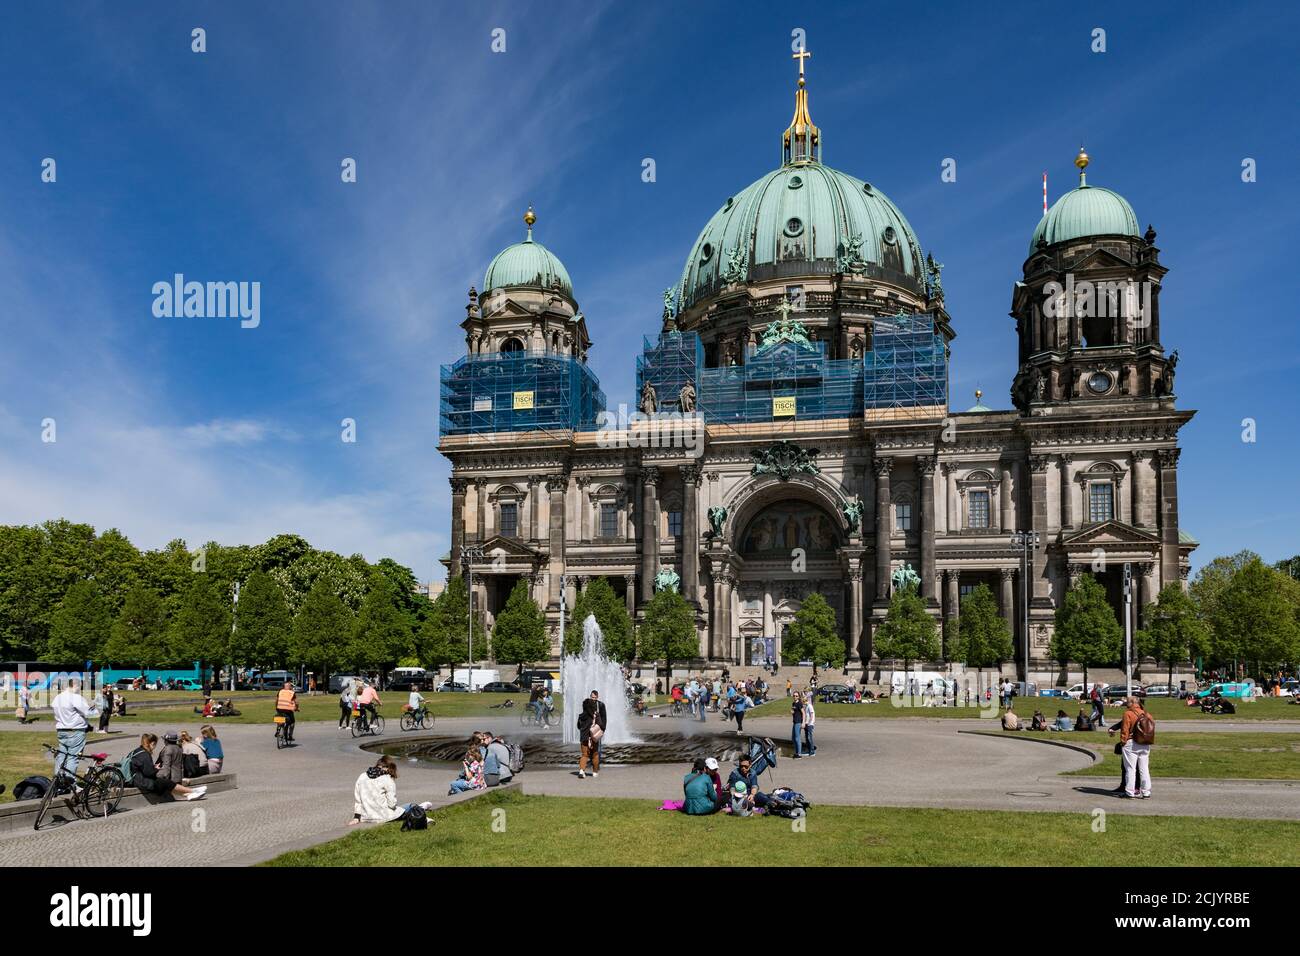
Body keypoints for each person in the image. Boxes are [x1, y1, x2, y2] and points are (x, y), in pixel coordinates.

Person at [352, 754, 433, 824]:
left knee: (402, 808)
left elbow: (358, 800)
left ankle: (420, 808)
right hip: (385, 816)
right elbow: (392, 804)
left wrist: (356, 818)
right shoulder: (387, 778)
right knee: (411, 806)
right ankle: (421, 808)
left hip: (366, 817)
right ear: (389, 767)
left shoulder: (362, 776)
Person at [128, 734, 205, 801]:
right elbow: (149, 772)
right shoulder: (145, 754)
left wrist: (153, 767)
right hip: (139, 781)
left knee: (164, 783)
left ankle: (188, 794)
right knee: (164, 782)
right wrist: (156, 769)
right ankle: (192, 791)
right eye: (155, 745)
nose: (155, 747)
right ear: (152, 743)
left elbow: (141, 767)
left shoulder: (136, 751)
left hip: (135, 778)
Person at [52, 678, 100, 781]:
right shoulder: (75, 697)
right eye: (80, 686)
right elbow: (89, 713)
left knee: (62, 757)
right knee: (72, 758)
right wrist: (97, 709)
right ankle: (70, 783)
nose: (80, 689)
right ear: (76, 685)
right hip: (75, 731)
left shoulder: (57, 698)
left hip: (62, 730)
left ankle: (58, 781)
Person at [1114, 697, 1154, 798]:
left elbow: (1125, 729)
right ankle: (1146, 792)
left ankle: (1130, 792)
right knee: (1144, 768)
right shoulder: (1147, 714)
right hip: (1145, 743)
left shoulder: (1128, 713)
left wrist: (1123, 741)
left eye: (1127, 701)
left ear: (1132, 703)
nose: (1126, 703)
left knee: (1130, 769)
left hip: (1132, 742)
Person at [577, 691, 606, 779]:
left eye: (594, 697)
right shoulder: (596, 714)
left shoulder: (582, 715)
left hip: (584, 736)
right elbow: (602, 722)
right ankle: (595, 772)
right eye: (593, 697)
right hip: (594, 735)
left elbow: (578, 725)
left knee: (584, 754)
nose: (594, 699)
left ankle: (582, 771)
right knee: (595, 754)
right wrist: (602, 730)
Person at [790, 692, 805, 757]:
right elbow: (795, 711)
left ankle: (799, 754)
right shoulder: (793, 703)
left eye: (796, 696)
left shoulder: (799, 703)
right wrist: (792, 712)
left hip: (798, 722)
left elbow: (803, 713)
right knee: (793, 738)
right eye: (794, 696)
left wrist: (803, 722)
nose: (795, 697)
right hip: (795, 722)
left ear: (798, 697)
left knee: (797, 738)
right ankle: (796, 752)